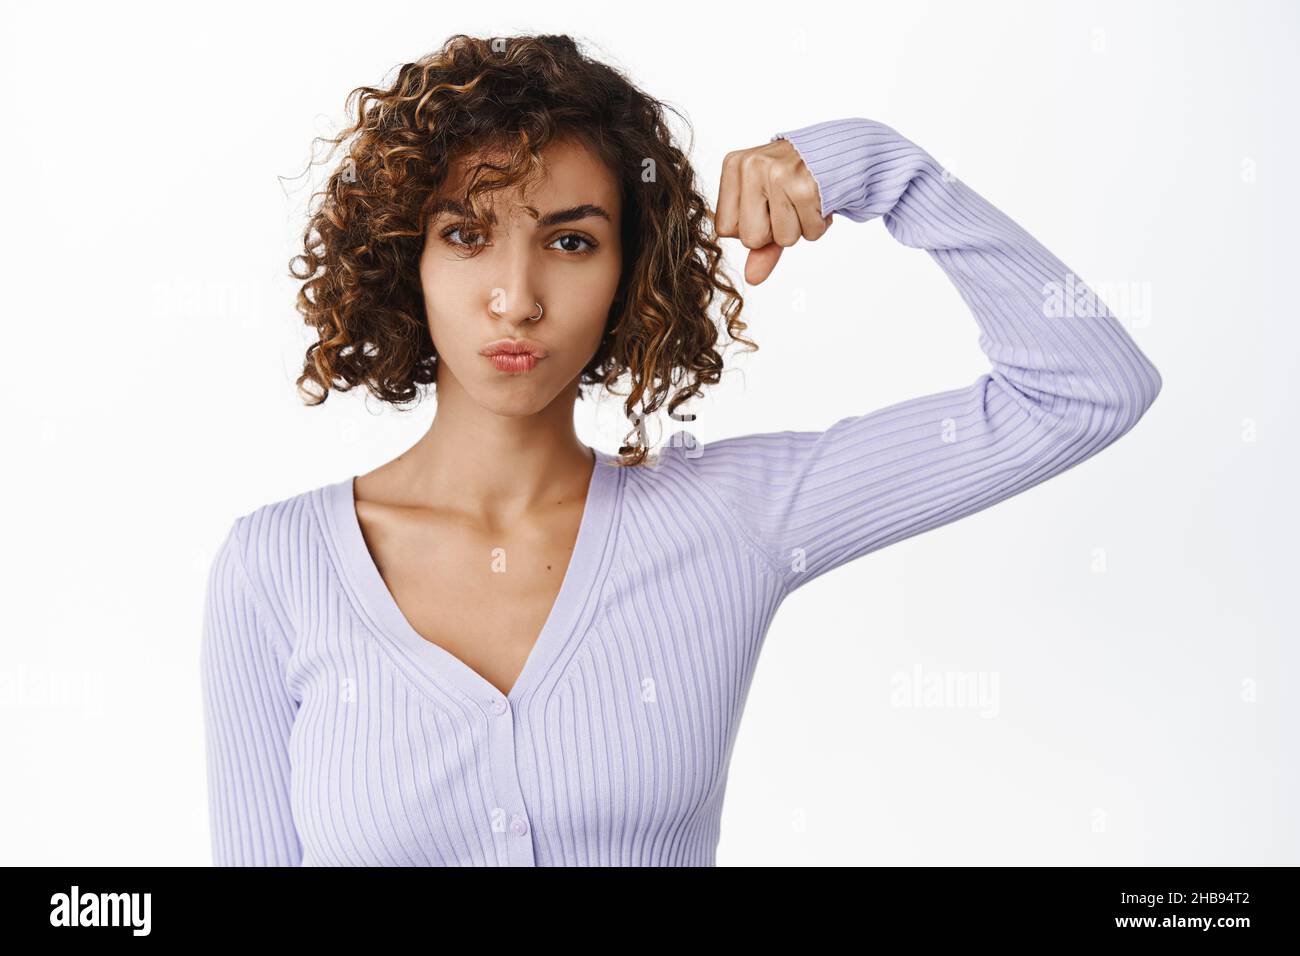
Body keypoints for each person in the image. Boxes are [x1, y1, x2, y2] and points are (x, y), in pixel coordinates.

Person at [200, 33, 1161, 866]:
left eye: (571, 243)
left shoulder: (731, 517)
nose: (517, 297)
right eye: (466, 235)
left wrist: (883, 170)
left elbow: (1085, 390)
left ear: (633, 271)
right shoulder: (276, 570)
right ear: (404, 258)